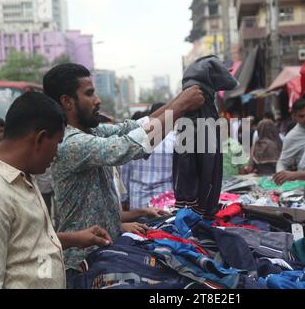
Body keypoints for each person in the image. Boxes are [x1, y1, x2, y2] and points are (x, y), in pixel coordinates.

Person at [42, 63, 205, 276]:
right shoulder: (71, 142)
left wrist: (179, 100)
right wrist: (181, 105)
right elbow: (130, 146)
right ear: (67, 102)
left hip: (106, 253)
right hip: (82, 264)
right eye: (89, 93)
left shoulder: (93, 131)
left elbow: (136, 128)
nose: (98, 100)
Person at [0, 92, 113, 289]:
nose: (55, 155)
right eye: (56, 144)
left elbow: (27, 244)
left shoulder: (24, 176)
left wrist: (75, 238)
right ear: (39, 139)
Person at [121, 103, 175, 210]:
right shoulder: (175, 141)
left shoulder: (134, 140)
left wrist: (124, 199)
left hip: (138, 203)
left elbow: (125, 173)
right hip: (165, 203)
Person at [276, 98, 305, 172]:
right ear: (294, 117)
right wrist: (280, 176)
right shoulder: (291, 137)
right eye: (301, 116)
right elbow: (282, 162)